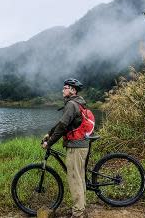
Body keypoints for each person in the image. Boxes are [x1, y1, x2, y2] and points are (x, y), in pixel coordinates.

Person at [42, 78, 89, 218]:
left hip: (76, 147)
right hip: (80, 145)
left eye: (65, 87)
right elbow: (62, 123)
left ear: (73, 90)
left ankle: (78, 214)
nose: (63, 90)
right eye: (63, 88)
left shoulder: (71, 105)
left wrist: (49, 143)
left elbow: (62, 127)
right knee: (79, 178)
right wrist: (50, 133)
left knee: (74, 179)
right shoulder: (76, 103)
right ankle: (81, 207)